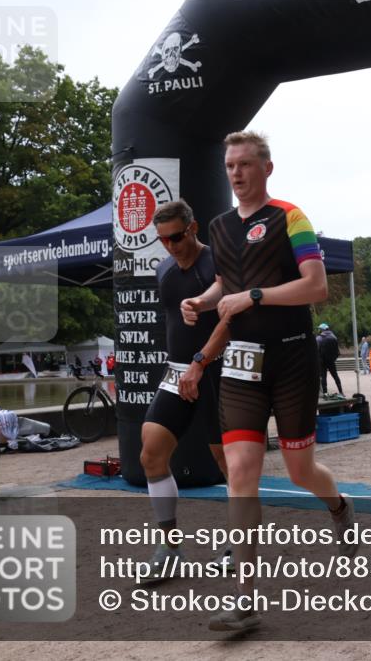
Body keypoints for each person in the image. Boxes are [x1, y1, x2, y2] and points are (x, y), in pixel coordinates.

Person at [180, 130, 356, 633]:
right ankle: (246, 601)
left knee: (301, 472)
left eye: (245, 164)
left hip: (293, 360)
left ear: (267, 169)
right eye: (230, 165)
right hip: (241, 366)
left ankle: (340, 507)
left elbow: (315, 285)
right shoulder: (217, 225)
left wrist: (253, 296)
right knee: (240, 471)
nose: (235, 173)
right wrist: (204, 301)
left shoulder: (290, 217)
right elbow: (224, 285)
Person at [139, 199, 231, 578]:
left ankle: (236, 546)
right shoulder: (163, 270)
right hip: (178, 372)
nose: (170, 246)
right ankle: (170, 548)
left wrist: (201, 361)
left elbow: (231, 324)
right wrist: (182, 366)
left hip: (216, 370)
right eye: (162, 240)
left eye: (176, 237)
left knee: (228, 463)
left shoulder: (217, 263)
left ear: (193, 228)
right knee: (150, 454)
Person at [317, 323, 343, 396]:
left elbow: (316, 350)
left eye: (319, 329)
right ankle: (341, 391)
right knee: (335, 376)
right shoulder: (334, 337)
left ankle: (325, 393)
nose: (318, 330)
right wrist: (333, 359)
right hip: (331, 361)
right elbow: (337, 352)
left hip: (322, 361)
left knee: (323, 377)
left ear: (322, 329)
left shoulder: (319, 338)